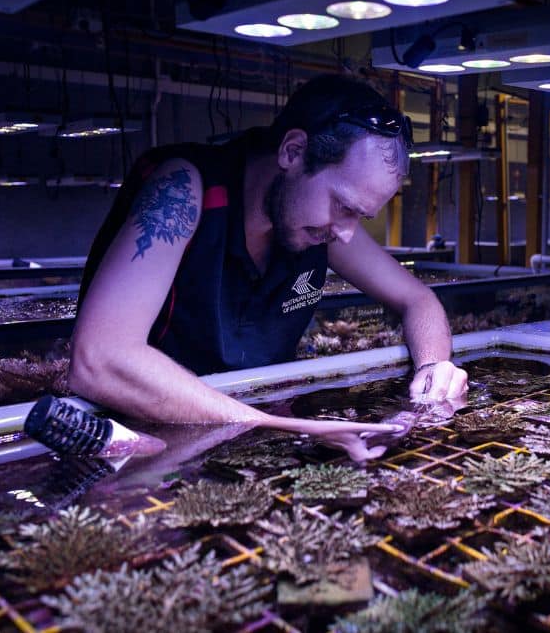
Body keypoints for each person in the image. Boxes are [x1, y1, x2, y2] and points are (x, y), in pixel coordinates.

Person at [69, 74, 468, 461]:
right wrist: (284, 427)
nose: (347, 235)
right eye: (344, 206)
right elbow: (100, 360)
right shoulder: (184, 188)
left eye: (360, 217)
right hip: (146, 446)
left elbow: (418, 299)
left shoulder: (323, 227)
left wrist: (435, 367)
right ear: (292, 152)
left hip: (251, 439)